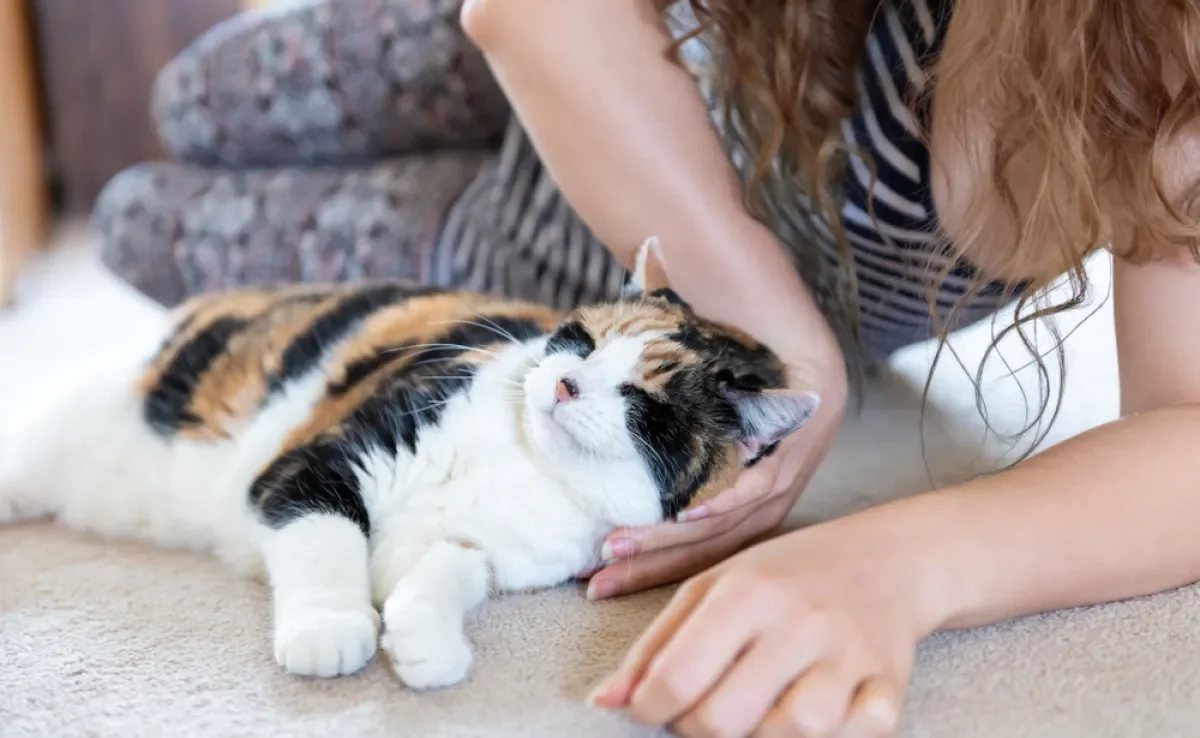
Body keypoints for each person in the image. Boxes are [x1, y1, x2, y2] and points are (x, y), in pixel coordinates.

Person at [449, 0, 1200, 736]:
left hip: (511, 258)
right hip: (483, 142)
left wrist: (896, 563)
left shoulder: (1174, 58)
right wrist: (782, 343)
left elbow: (1187, 425)